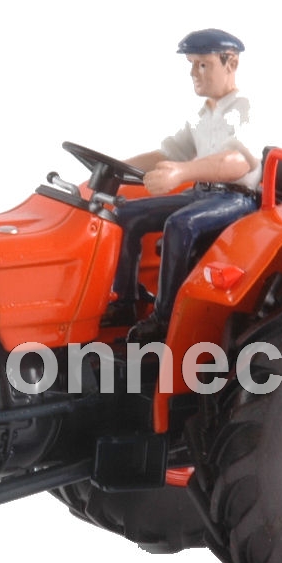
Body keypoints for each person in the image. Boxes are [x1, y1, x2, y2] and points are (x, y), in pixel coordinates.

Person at [107, 28, 263, 342]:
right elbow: (168, 153)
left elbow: (238, 162)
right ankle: (125, 301)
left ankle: (164, 320)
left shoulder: (245, 109)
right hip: (203, 192)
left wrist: (182, 172)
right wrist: (116, 165)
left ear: (231, 63)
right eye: (192, 64)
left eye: (203, 64)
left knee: (180, 225)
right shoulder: (202, 115)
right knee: (125, 215)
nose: (194, 73)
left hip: (237, 198)